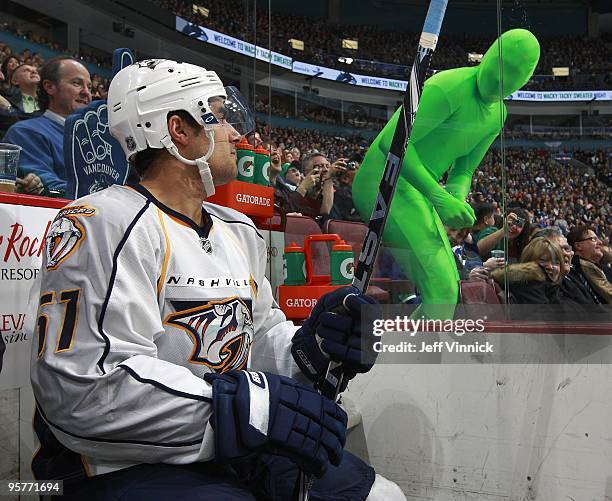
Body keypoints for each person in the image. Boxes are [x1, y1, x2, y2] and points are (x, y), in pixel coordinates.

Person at [28, 59, 404, 501]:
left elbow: (258, 339)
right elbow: (86, 390)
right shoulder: (101, 221)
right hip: (122, 463)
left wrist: (312, 347)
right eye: (218, 115)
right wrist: (240, 406)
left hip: (230, 444)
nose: (235, 133)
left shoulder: (236, 228)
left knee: (381, 495)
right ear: (178, 130)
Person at [352, 29, 540, 312]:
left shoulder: (497, 115)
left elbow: (463, 170)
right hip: (383, 180)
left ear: (525, 81)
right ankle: (400, 354)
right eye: (500, 66)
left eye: (514, 75)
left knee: (448, 286)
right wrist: (439, 198)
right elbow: (393, 144)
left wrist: (454, 198)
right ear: (487, 55)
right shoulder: (448, 86)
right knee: (441, 287)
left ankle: (402, 352)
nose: (501, 79)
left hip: (417, 190)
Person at [3, 56, 92, 195]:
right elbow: (49, 188)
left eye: (89, 86)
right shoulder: (25, 132)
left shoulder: (98, 138)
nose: (86, 92)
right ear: (49, 87)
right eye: (77, 83)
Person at [567, 225, 611, 303]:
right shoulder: (575, 272)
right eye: (593, 239)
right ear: (578, 246)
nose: (600, 242)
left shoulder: (601, 267)